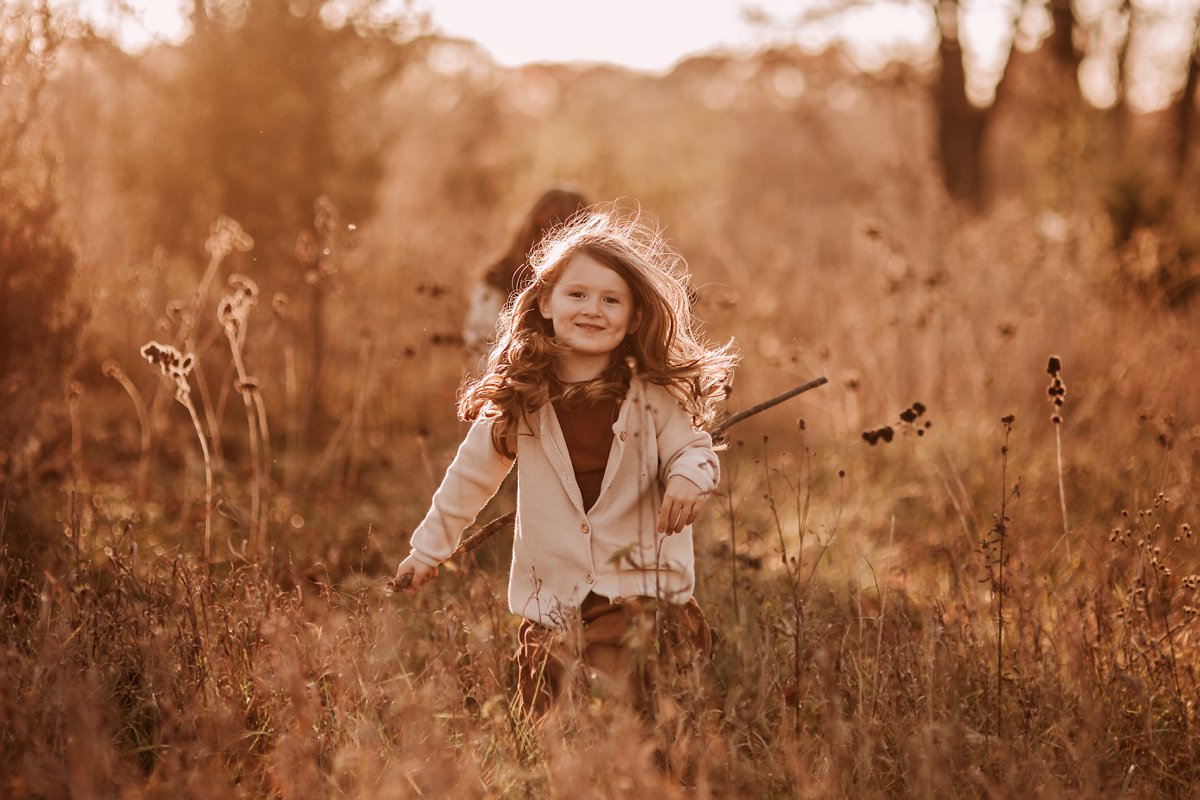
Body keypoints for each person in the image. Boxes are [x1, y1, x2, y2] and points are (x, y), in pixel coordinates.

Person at [396, 206, 738, 715]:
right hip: (552, 603)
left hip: (640, 594)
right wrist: (428, 551)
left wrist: (689, 478)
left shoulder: (655, 397)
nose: (592, 309)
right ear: (546, 303)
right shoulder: (522, 399)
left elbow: (694, 449)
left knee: (625, 714)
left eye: (610, 300)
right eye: (577, 294)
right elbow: (468, 480)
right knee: (546, 724)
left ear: (634, 317)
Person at [462, 186, 589, 354]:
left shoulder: (592, 285)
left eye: (557, 232)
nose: (544, 240)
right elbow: (480, 349)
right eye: (538, 229)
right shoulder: (497, 281)